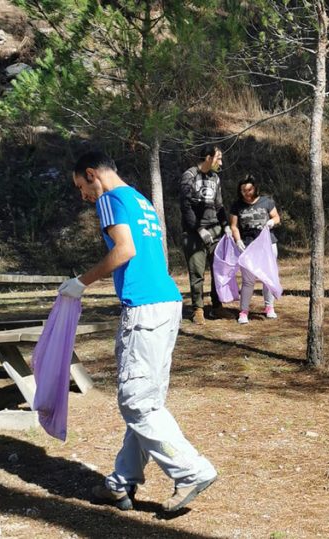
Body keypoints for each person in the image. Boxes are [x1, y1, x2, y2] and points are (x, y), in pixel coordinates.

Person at [60, 150, 217, 513]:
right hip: (166, 301)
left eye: (80, 187)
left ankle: (191, 470)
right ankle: (121, 482)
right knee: (147, 400)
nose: (82, 195)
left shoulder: (111, 199)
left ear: (91, 175)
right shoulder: (140, 199)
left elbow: (125, 250)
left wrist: (81, 283)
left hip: (144, 306)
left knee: (137, 402)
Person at [179, 146, 227, 324]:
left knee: (218, 270)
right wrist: (198, 229)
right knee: (197, 272)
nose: (220, 163)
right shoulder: (189, 176)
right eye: (218, 158)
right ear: (208, 157)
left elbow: (219, 206)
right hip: (194, 233)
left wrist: (225, 226)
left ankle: (217, 306)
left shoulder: (215, 178)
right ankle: (197, 309)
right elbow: (185, 206)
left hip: (215, 231)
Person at [228, 175, 281, 324]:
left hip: (267, 244)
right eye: (243, 190)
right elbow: (233, 226)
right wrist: (237, 239)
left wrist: (271, 222)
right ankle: (244, 311)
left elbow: (277, 217)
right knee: (248, 280)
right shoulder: (236, 206)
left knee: (268, 276)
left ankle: (269, 307)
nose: (247, 193)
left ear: (255, 188)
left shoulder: (267, 202)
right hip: (247, 245)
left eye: (249, 189)